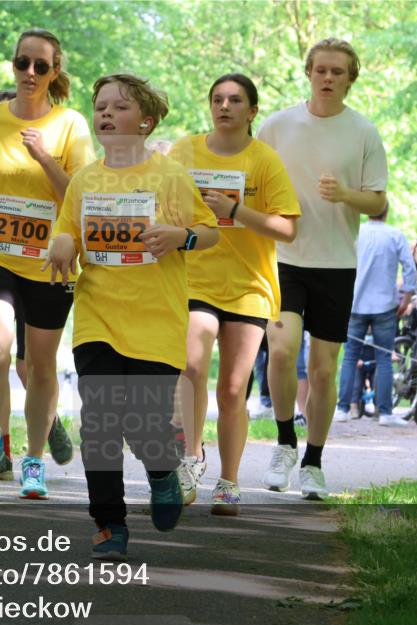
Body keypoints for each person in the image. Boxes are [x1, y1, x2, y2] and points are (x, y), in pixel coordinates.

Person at [45, 73, 218, 558]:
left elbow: (209, 233)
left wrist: (178, 237)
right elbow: (67, 234)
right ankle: (109, 524)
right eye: (100, 106)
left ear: (144, 121)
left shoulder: (170, 177)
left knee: (144, 422)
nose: (105, 114)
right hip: (98, 314)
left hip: (156, 321)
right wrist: (61, 244)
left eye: (119, 107)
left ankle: (162, 471)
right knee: (100, 420)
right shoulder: (86, 179)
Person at [0, 29, 94, 497]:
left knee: (39, 364)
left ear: (55, 72)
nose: (29, 73)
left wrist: (41, 156)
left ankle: (34, 459)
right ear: (13, 66)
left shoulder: (70, 124)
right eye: (21, 63)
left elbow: (80, 194)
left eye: (40, 66)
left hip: (48, 260)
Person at [257, 37, 388, 500]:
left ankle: (313, 460)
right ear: (309, 73)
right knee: (281, 347)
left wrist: (346, 195)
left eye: (338, 72)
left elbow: (379, 200)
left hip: (336, 262)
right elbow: (250, 178)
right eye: (321, 70)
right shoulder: (276, 126)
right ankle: (284, 443)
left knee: (325, 369)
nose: (328, 78)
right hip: (284, 259)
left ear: (351, 79)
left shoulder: (364, 132)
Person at [169, 73, 299, 513]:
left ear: (251, 111)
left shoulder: (264, 160)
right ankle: (191, 458)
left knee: (232, 389)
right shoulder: (185, 150)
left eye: (235, 100)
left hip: (248, 287)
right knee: (190, 366)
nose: (225, 106)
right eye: (218, 99)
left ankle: (229, 480)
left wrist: (236, 211)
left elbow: (287, 228)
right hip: (194, 279)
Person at [335, 206, 416, 427]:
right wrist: (406, 298)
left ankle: (342, 408)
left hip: (355, 303)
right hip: (385, 305)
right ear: (386, 212)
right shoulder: (395, 234)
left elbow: (340, 264)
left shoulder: (356, 233)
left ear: (367, 211)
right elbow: (409, 268)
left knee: (350, 357)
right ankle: (385, 412)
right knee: (384, 358)